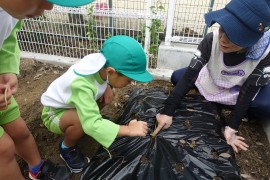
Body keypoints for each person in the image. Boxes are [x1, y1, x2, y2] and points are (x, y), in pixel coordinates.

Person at [152, 0, 270, 153]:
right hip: (215, 78)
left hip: (240, 86)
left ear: (252, 39)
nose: (223, 40)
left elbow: (248, 90)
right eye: (222, 29)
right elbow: (189, 76)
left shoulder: (265, 53)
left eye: (234, 36)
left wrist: (232, 126)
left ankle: (228, 104)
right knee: (177, 77)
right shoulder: (211, 39)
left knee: (265, 107)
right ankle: (222, 101)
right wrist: (168, 111)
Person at [0, 0, 95, 179]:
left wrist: (6, 69)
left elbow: (7, 39)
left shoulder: (11, 11)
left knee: (19, 132)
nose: (48, 8)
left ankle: (36, 168)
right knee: (3, 150)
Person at [40, 35, 152, 173]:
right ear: (111, 71)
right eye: (128, 80)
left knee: (107, 96)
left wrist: (106, 87)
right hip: (54, 113)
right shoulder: (81, 85)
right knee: (83, 122)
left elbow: (99, 79)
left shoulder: (100, 63)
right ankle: (67, 148)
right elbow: (91, 123)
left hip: (72, 104)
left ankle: (92, 121)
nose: (130, 83)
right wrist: (128, 130)